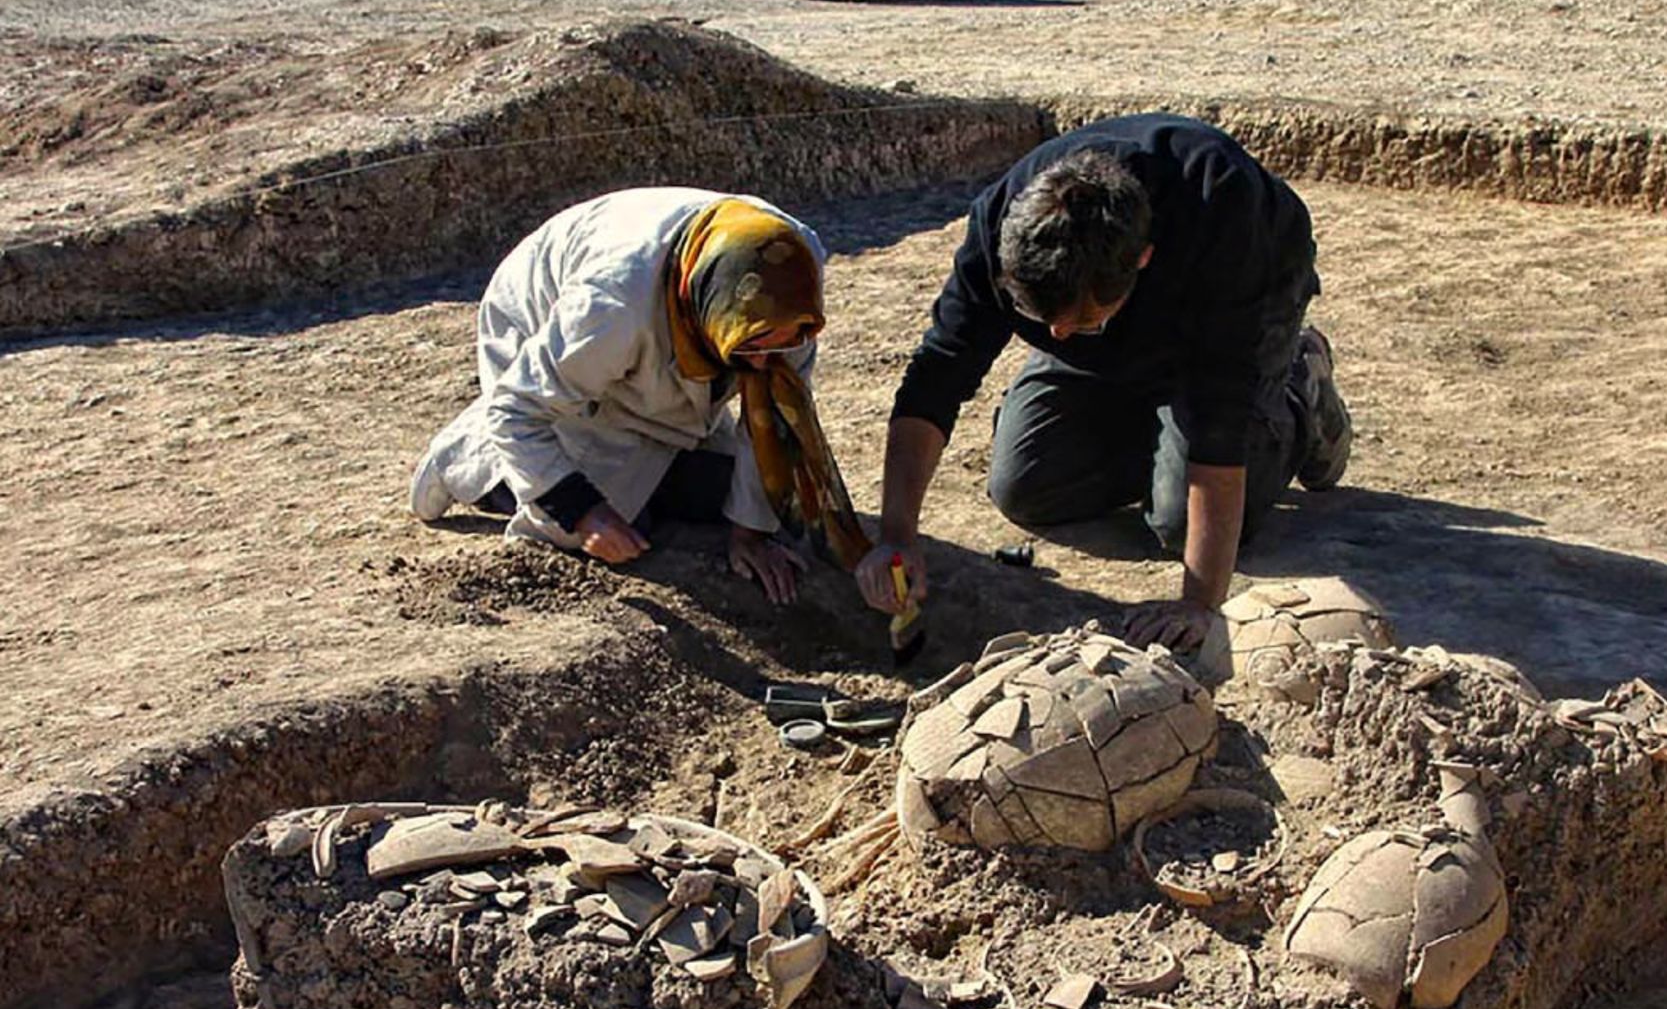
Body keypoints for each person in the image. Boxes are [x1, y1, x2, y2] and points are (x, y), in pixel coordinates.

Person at [854, 113, 1350, 650]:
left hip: (1255, 291)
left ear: (1142, 260)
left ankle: (1300, 392)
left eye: (1083, 321)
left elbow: (1220, 416)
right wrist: (896, 536)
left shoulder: (1221, 218)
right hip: (1130, 332)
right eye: (1045, 321)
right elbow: (937, 375)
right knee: (1025, 486)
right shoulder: (1003, 224)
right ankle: (1157, 423)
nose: (1061, 335)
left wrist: (1198, 602)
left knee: (1179, 523)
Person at [409, 187, 869, 603]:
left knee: (753, 504)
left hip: (659, 343)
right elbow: (517, 409)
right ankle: (470, 461)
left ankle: (642, 457)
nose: (769, 362)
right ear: (714, 309)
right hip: (541, 325)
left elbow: (771, 414)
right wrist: (586, 513)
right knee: (587, 526)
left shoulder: (790, 279)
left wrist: (750, 533)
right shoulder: (611, 307)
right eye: (755, 347)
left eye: (784, 344)